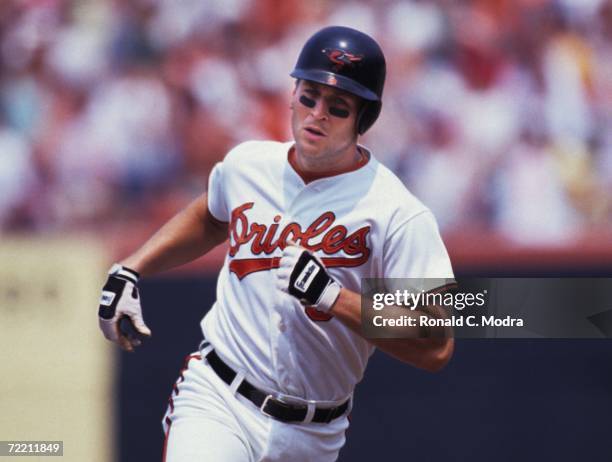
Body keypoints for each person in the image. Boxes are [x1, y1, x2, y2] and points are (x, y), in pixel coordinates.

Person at [98, 26, 455, 462]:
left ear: (364, 119)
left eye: (337, 107)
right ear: (292, 96)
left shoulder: (397, 212)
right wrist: (131, 266)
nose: (316, 114)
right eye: (308, 97)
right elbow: (210, 216)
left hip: (314, 433)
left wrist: (333, 297)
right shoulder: (249, 164)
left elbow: (436, 342)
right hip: (219, 396)